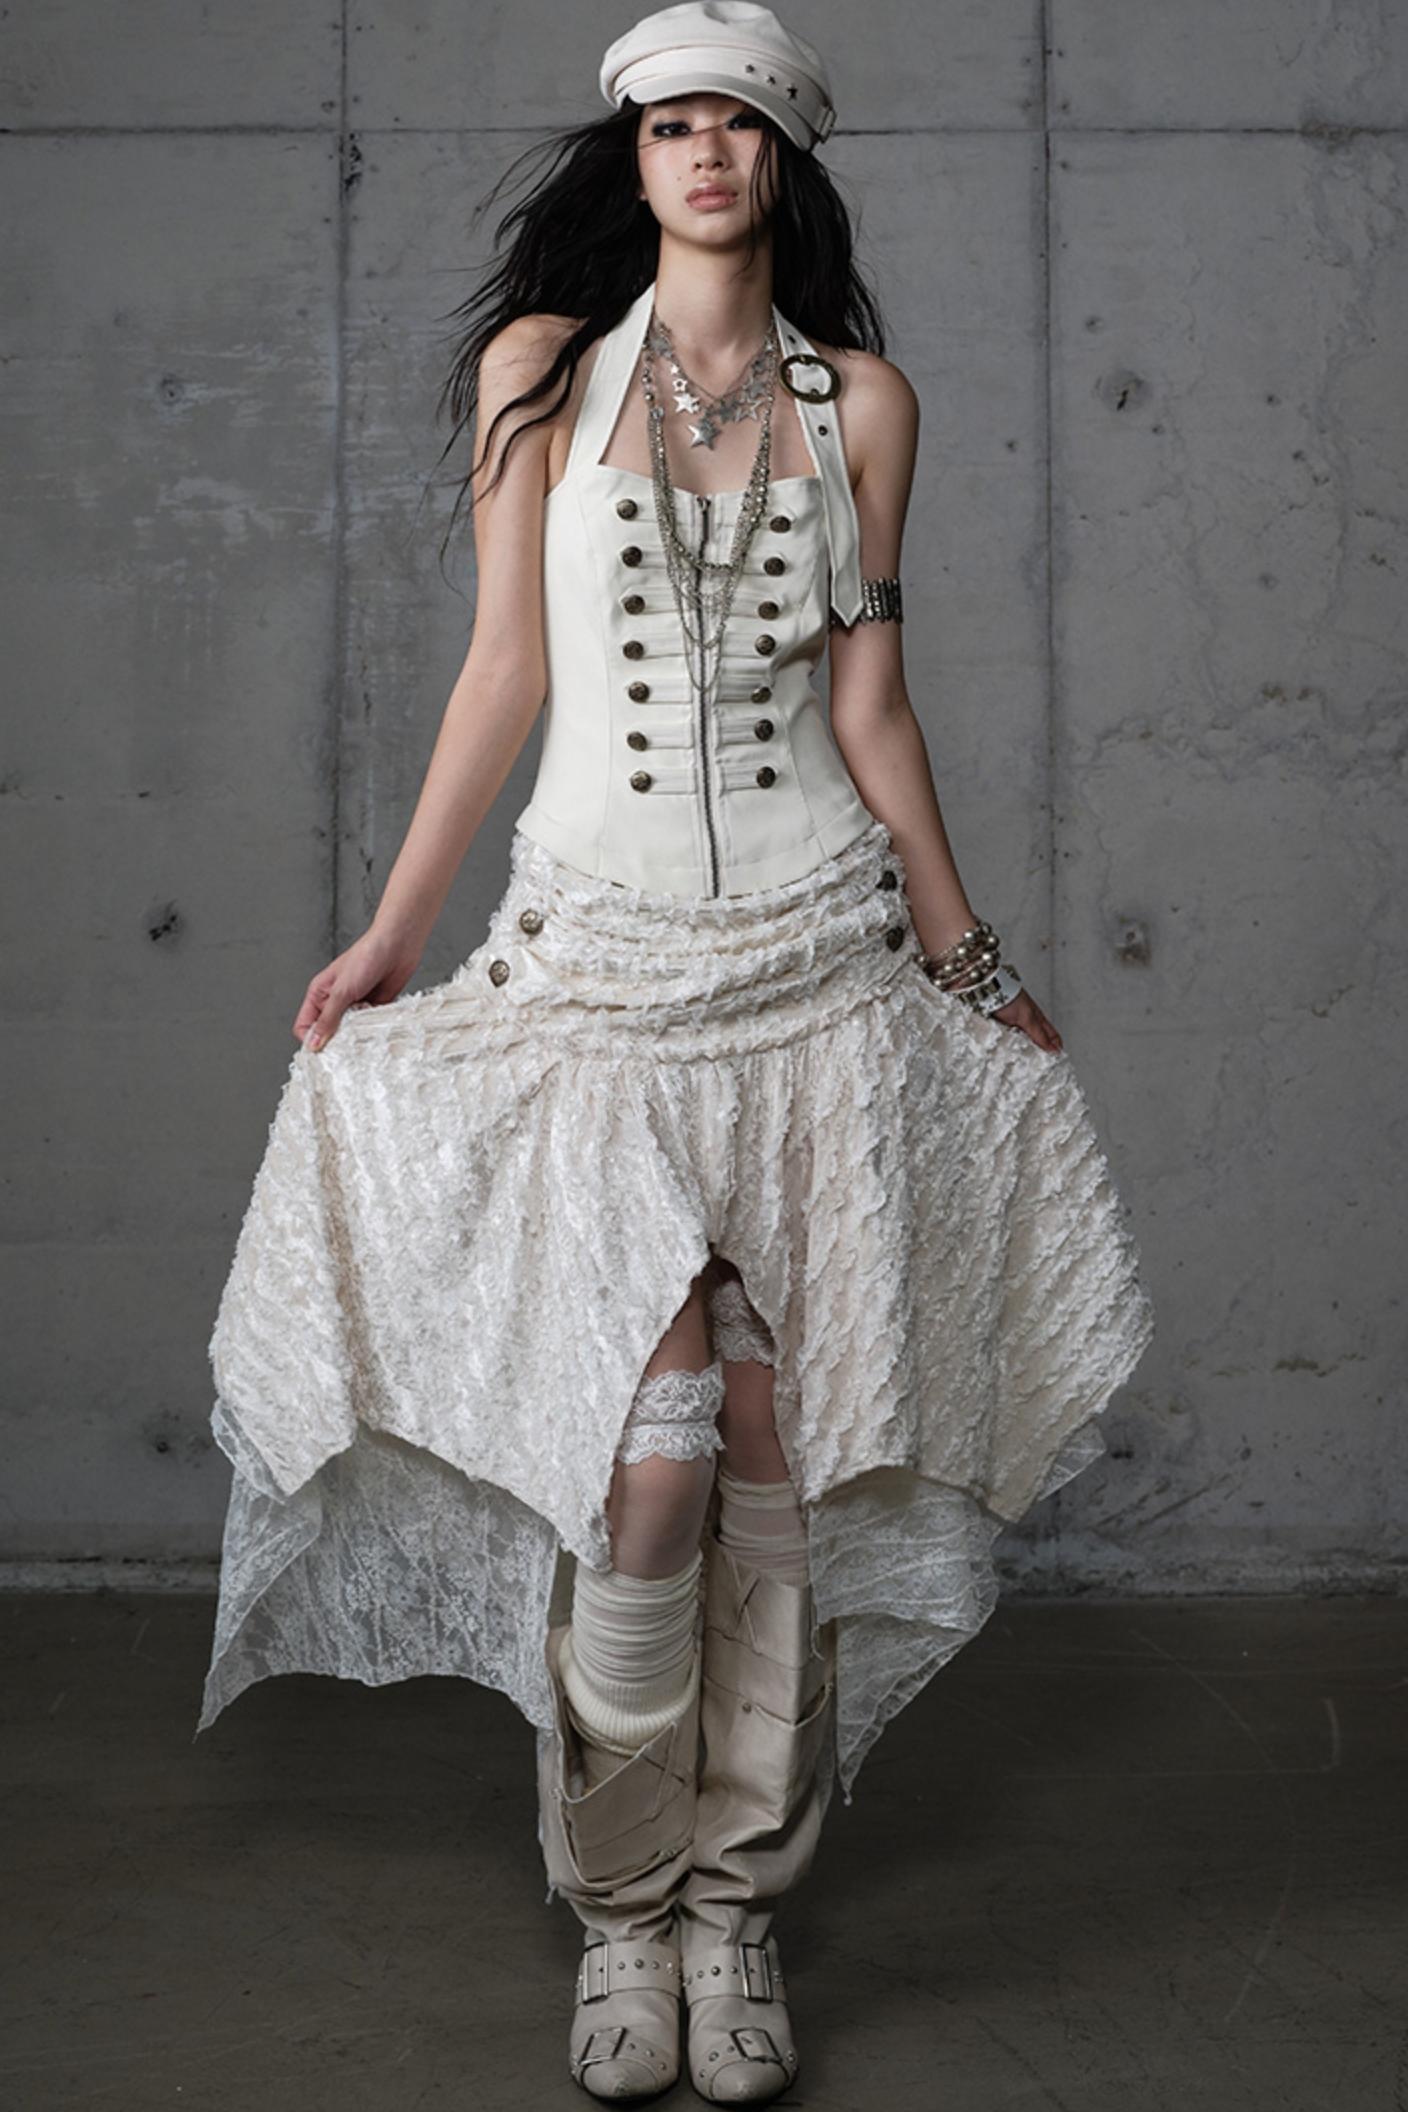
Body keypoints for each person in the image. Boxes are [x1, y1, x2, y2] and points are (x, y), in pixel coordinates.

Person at [195, 2, 1156, 2100]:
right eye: (667, 126)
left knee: (771, 1468)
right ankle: (617, 1904)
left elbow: (870, 708)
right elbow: (503, 671)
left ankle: (736, 1920)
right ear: (630, 160)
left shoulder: (864, 403)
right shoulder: (536, 375)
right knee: (647, 1466)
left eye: (734, 123)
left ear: (780, 158)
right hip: (597, 966)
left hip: (816, 966)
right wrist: (394, 929)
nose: (701, 153)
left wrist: (968, 958)